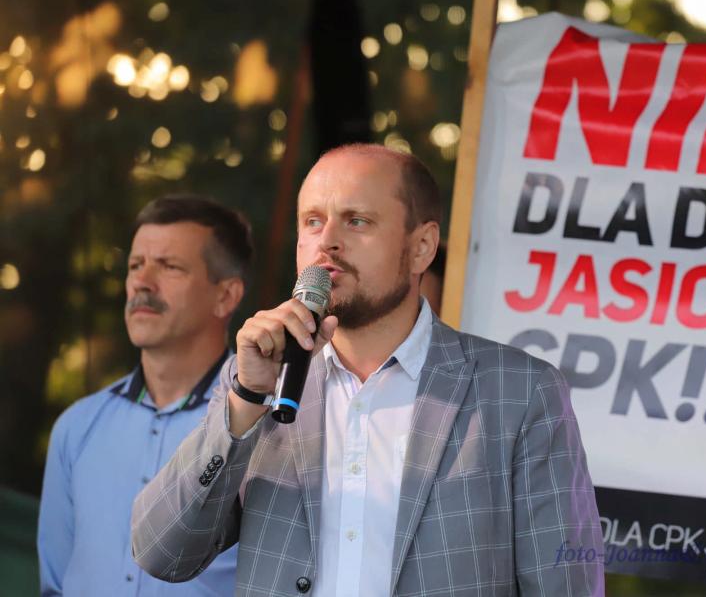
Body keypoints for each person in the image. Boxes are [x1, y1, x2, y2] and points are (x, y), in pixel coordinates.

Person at [132, 145, 605, 596]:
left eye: (357, 220)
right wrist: (246, 400)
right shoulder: (257, 379)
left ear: (421, 247)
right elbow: (161, 553)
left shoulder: (520, 392)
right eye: (312, 221)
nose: (327, 242)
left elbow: (564, 585)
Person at [38, 195, 253, 596]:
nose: (143, 282)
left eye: (170, 266)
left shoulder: (265, 429)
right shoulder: (77, 427)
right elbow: (55, 585)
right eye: (136, 265)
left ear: (226, 296)